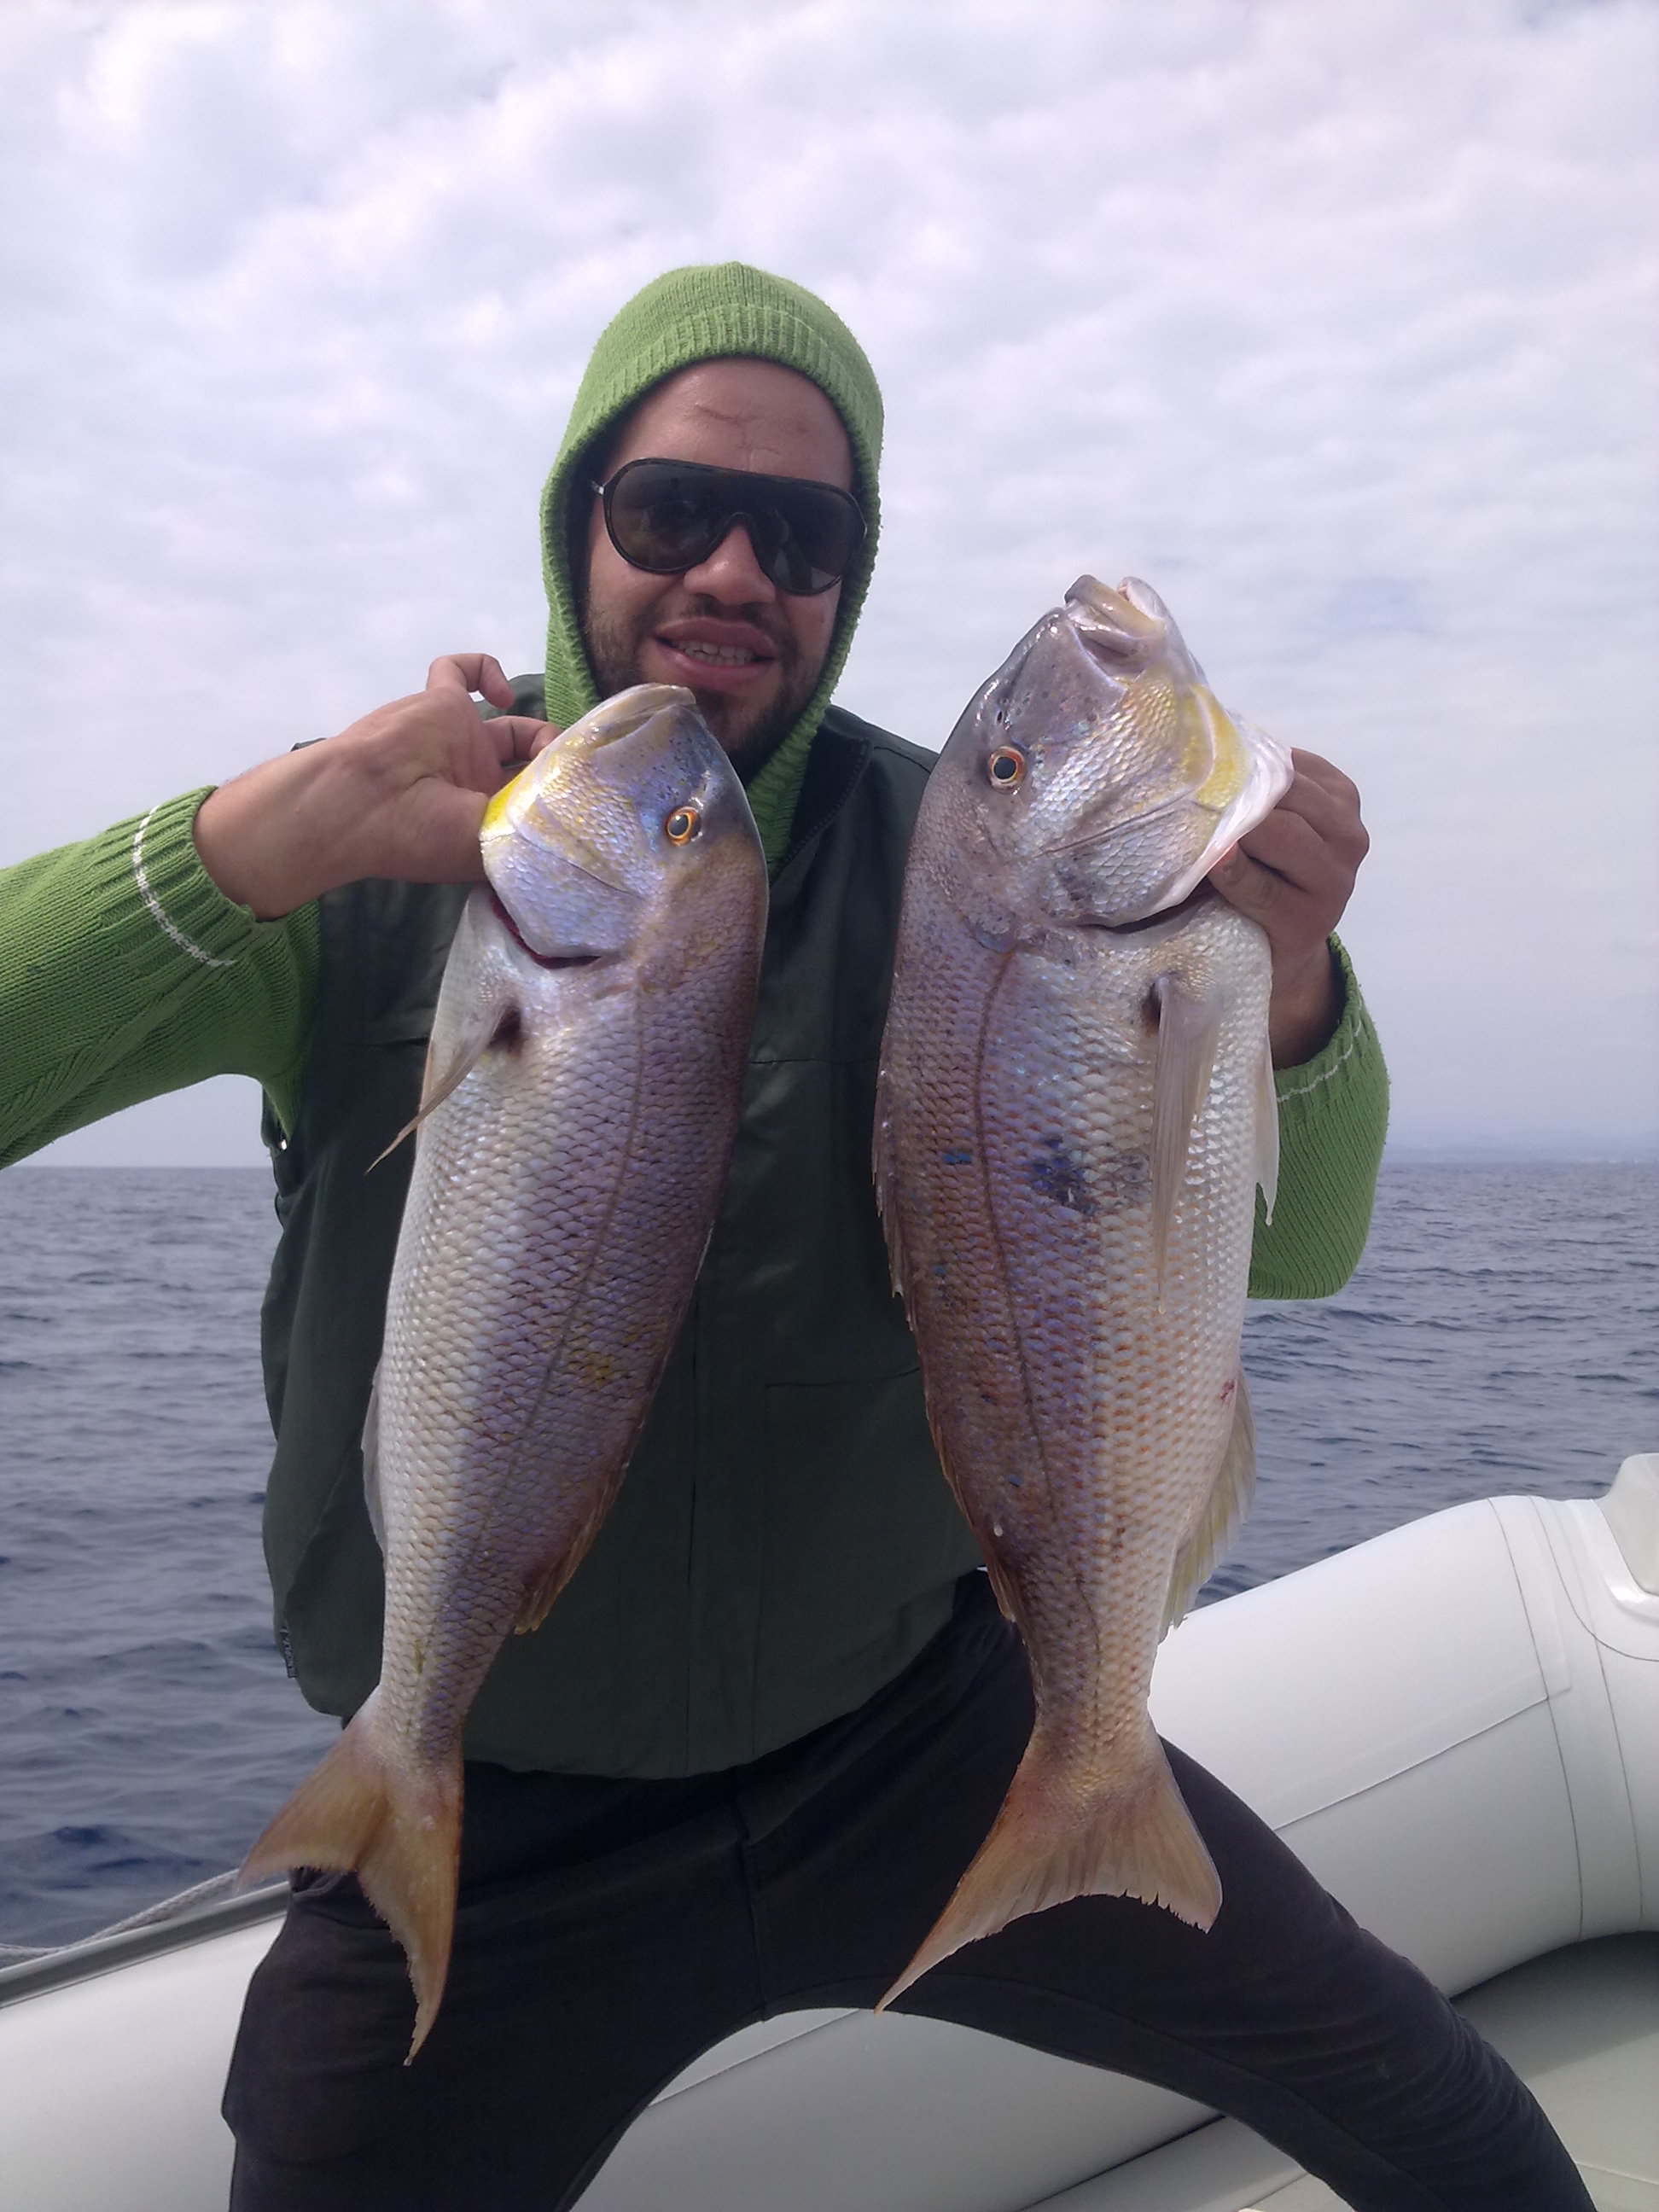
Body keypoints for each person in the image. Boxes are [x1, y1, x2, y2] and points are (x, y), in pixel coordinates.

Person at [0, 264, 1589, 2211]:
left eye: (805, 535)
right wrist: (240, 847)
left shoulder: (977, 861)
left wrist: (1294, 988)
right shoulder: (383, 849)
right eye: (672, 509)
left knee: (1441, 2114)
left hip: (919, 1741)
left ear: (850, 573)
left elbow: (1305, 1251)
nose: (736, 571)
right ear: (577, 521)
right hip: (498, 1803)